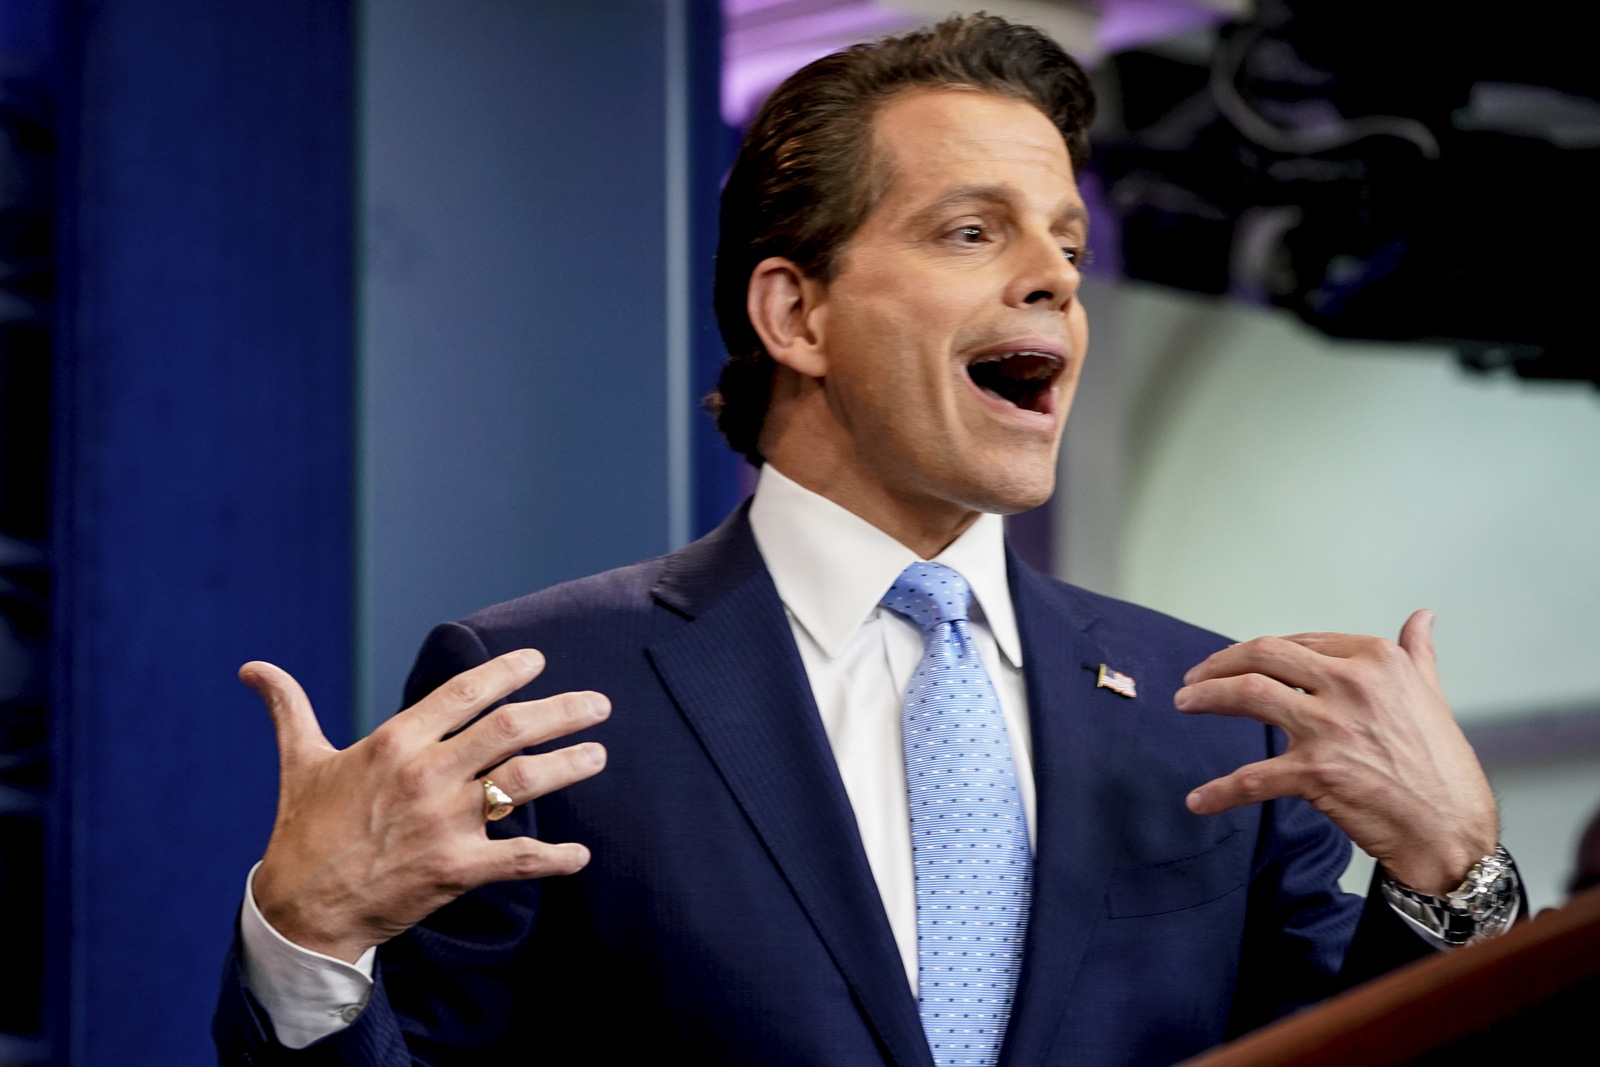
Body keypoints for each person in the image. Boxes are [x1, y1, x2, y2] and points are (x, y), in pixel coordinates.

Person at [213, 15, 1520, 1067]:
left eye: (1066, 240)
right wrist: (308, 945)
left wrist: (1454, 875)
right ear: (797, 314)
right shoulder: (546, 685)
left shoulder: (1213, 715)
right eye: (973, 230)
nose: (1058, 276)